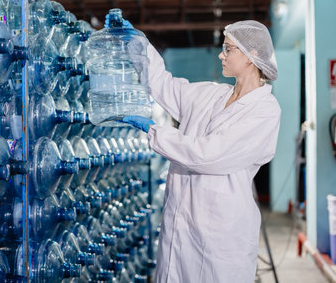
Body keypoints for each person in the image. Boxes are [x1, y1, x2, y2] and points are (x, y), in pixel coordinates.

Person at [106, 18, 281, 282]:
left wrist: (155, 130)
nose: (221, 54)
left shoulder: (264, 111)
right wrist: (138, 45)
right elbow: (164, 86)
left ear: (251, 56)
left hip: (220, 232)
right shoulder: (211, 95)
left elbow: (208, 155)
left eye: (229, 49)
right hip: (180, 222)